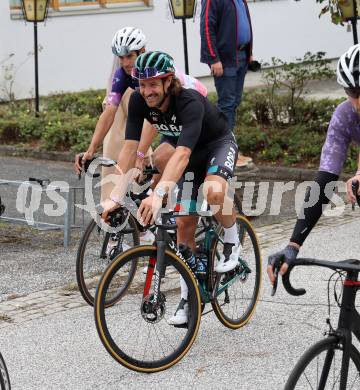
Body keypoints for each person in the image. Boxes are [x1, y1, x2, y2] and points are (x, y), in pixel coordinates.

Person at [101, 51, 241, 325]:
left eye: (153, 84)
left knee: (213, 192)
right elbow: (130, 149)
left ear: (168, 82)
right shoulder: (141, 101)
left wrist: (158, 194)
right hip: (188, 153)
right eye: (142, 84)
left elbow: (182, 154)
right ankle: (190, 299)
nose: (147, 90)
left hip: (216, 145)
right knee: (184, 228)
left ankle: (232, 241)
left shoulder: (188, 100)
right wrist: (115, 197)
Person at [267, 44, 360, 283]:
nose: (358, 100)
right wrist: (293, 245)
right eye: (353, 92)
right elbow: (325, 182)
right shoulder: (345, 115)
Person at [200, 0, 253, 132]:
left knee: (234, 102)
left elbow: (243, 22)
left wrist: (249, 51)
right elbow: (207, 27)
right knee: (227, 104)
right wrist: (214, 59)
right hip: (225, 60)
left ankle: (227, 139)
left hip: (241, 55)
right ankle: (224, 143)